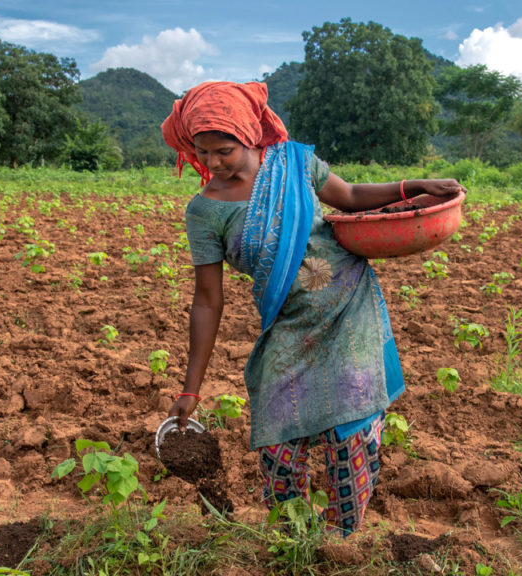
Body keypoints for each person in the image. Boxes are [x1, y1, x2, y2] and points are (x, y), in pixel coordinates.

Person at [161, 81, 465, 536]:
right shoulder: (204, 213)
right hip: (287, 325)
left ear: (248, 134)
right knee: (281, 445)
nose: (213, 164)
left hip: (347, 306)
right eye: (202, 154)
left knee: (355, 435)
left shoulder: (294, 163)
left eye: (223, 150)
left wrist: (412, 185)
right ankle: (293, 538)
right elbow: (207, 300)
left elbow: (351, 197)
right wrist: (191, 389)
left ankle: (343, 539)